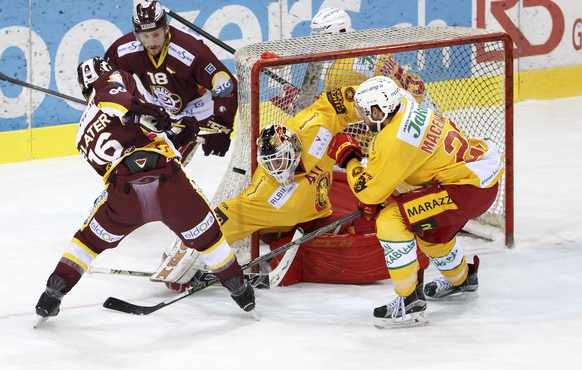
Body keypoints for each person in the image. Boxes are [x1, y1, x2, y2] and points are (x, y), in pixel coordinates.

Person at [34, 57, 254, 324]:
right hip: (167, 184)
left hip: (124, 197)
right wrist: (147, 114)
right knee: (208, 239)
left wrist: (177, 134)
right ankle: (240, 291)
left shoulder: (81, 135)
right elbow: (118, 101)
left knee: (88, 242)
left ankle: (52, 292)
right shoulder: (111, 81)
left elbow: (130, 147)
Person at [156, 85, 429, 291]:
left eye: (281, 161)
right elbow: (224, 216)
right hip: (289, 224)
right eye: (270, 164)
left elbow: (341, 100)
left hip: (322, 209)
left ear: (295, 150)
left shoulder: (312, 127)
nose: (278, 170)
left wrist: (396, 103)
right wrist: (184, 250)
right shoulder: (263, 192)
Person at [326, 76, 504, 328]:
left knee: (391, 220)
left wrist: (349, 158)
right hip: (478, 183)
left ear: (378, 111)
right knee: (433, 235)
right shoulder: (409, 105)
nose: (361, 120)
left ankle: (409, 302)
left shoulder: (392, 139)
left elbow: (368, 194)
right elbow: (412, 167)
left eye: (364, 113)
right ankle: (463, 280)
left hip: (463, 189)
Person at [104, 0, 237, 162]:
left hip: (197, 110)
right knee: (140, 158)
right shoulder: (125, 49)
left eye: (156, 34)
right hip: (157, 108)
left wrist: (222, 128)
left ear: (166, 28)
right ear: (137, 34)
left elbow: (225, 84)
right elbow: (106, 77)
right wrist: (128, 107)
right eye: (145, 36)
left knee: (169, 163)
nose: (151, 42)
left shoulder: (190, 51)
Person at [309, 7, 439, 111]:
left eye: (320, 38)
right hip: (424, 103)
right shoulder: (369, 45)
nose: (317, 44)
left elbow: (339, 114)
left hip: (406, 118)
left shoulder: (337, 72)